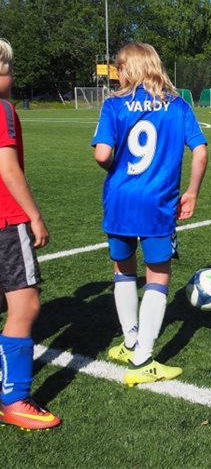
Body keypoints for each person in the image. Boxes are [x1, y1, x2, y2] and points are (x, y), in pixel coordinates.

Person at [92, 43, 208, 387]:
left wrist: (118, 167)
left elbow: (102, 155)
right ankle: (143, 360)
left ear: (133, 68)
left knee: (122, 269)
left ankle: (130, 342)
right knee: (158, 276)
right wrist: (192, 192)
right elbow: (200, 151)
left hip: (120, 200)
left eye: (121, 68)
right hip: (157, 204)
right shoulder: (177, 106)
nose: (119, 74)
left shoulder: (113, 105)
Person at [0, 38, 61, 430]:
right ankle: (14, 398)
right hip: (7, 220)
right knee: (25, 306)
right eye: (7, 69)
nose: (11, 77)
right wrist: (33, 215)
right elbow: (6, 167)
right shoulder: (2, 108)